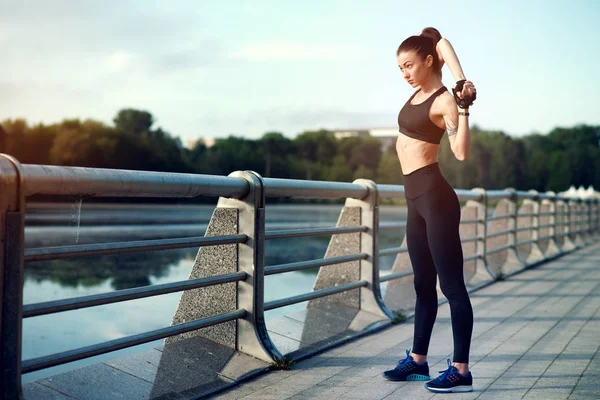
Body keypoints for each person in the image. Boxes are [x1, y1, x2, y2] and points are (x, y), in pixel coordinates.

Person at [381, 27, 477, 393]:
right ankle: (418, 362)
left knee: (452, 287)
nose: (404, 73)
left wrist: (464, 103)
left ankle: (461, 370)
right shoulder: (419, 92)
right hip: (413, 200)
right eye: (400, 68)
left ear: (428, 61)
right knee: (423, 284)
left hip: (435, 199)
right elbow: (439, 38)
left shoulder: (442, 101)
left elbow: (462, 153)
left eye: (408, 65)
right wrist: (460, 74)